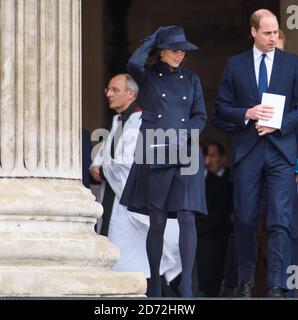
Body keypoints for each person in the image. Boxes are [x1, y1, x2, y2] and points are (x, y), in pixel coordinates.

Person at [213, 9, 298, 297]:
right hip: (248, 152)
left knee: (280, 221)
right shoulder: (235, 64)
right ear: (254, 32)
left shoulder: (292, 64)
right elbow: (221, 108)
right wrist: (247, 112)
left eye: (275, 32)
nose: (272, 38)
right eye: (267, 33)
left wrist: (279, 124)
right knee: (245, 219)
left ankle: (276, 285)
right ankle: (244, 281)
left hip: (281, 152)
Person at [120, 26, 207, 297]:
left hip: (185, 152)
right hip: (155, 150)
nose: (180, 55)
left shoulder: (192, 79)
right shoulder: (149, 76)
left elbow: (200, 115)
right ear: (162, 51)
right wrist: (154, 38)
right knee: (157, 221)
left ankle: (187, 285)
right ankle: (155, 282)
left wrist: (185, 135)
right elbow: (133, 62)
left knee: (187, 216)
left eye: (182, 50)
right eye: (174, 49)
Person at [90, 74, 182, 285]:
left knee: (135, 265)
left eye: (115, 90)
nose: (109, 94)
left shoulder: (141, 121)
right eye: (108, 90)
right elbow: (105, 157)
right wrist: (96, 170)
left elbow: (131, 164)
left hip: (132, 205)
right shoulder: (117, 121)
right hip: (111, 199)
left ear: (131, 94)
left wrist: (103, 171)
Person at [196, 142, 233, 297]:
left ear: (223, 158)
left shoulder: (232, 178)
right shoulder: (203, 180)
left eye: (213, 156)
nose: (208, 161)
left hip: (223, 239)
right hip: (204, 239)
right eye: (206, 156)